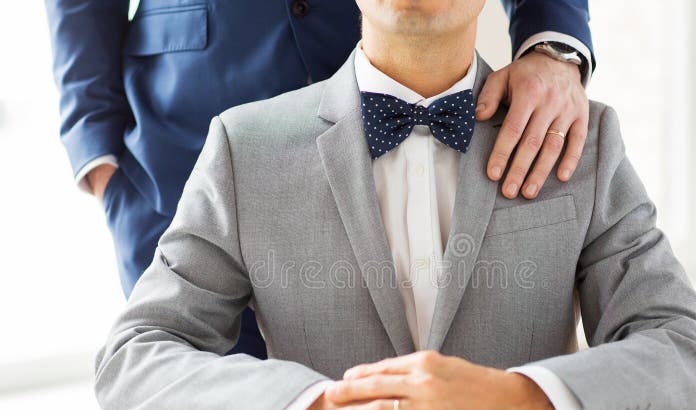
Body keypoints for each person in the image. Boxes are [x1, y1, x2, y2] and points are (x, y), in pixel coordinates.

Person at [94, 0, 696, 410]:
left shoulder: (580, 142)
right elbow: (134, 359)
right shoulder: (245, 148)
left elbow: (690, 350)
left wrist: (522, 400)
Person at [44, 0, 594, 358]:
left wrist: (554, 44)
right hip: (176, 144)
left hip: (382, 84)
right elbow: (146, 368)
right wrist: (96, 151)